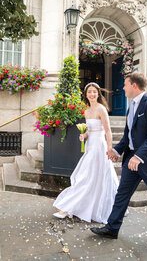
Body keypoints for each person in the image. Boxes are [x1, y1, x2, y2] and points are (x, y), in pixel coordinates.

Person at [91, 72, 147, 249]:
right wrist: (116, 150)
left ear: (134, 85)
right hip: (131, 161)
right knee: (122, 195)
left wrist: (139, 156)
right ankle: (112, 228)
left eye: (125, 84)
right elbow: (128, 137)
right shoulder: (130, 106)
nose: (122, 88)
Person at [53, 82, 119, 224]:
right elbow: (92, 128)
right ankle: (75, 206)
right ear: (86, 94)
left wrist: (109, 148)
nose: (92, 94)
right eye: (89, 92)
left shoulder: (101, 109)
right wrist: (84, 135)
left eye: (94, 92)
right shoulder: (87, 111)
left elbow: (107, 130)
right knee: (86, 176)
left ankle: (74, 207)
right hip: (90, 145)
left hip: (100, 147)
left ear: (98, 94)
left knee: (92, 176)